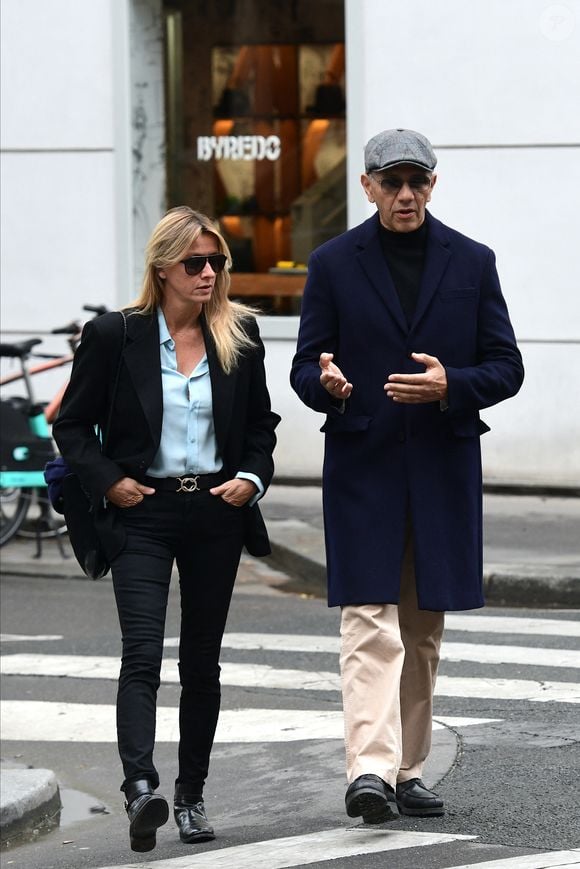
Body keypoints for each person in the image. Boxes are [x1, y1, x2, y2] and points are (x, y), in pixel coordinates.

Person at [290, 129, 524, 824]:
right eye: (391, 182)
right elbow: (305, 366)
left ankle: (408, 769)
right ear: (366, 186)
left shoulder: (472, 262)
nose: (404, 194)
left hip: (442, 467)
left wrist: (452, 383)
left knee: (422, 627)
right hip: (364, 465)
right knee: (369, 618)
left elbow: (506, 366)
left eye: (416, 181)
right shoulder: (332, 264)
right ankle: (368, 770)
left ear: (433, 183)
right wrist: (326, 383)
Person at [53, 206, 280, 852]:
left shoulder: (240, 334)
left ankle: (192, 795)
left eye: (217, 262)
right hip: (142, 511)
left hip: (216, 510)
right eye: (195, 263)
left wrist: (251, 477)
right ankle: (141, 788)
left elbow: (262, 426)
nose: (209, 273)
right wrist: (108, 481)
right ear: (163, 269)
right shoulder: (113, 335)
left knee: (201, 661)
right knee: (143, 653)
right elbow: (72, 425)